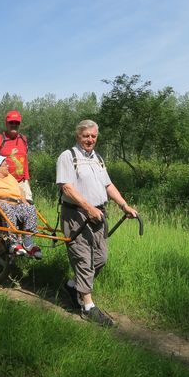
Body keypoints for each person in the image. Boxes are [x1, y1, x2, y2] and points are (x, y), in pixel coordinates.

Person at [56, 120, 138, 326]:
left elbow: (108, 185)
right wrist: (87, 207)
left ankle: (72, 285)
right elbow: (67, 188)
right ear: (78, 136)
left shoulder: (98, 159)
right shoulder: (68, 156)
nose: (90, 139)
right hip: (77, 214)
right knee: (83, 258)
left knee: (100, 258)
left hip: (99, 214)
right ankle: (88, 306)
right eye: (86, 136)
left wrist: (124, 205)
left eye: (93, 136)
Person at [0, 154, 42, 259]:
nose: (8, 166)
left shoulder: (10, 177)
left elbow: (21, 190)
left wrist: (23, 200)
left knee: (30, 208)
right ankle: (13, 243)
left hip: (15, 203)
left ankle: (28, 243)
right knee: (6, 207)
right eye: (5, 165)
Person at [0, 110, 32, 202]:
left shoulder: (23, 139)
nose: (14, 125)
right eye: (11, 122)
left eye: (16, 123)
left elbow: (25, 161)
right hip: (4, 182)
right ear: (6, 124)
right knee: (7, 211)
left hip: (22, 182)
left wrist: (27, 180)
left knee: (29, 208)